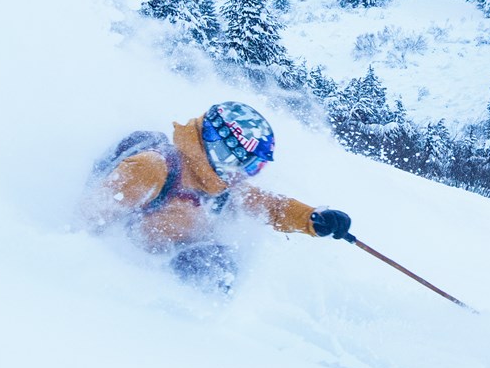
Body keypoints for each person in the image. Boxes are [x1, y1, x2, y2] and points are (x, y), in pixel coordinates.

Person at [84, 100, 352, 291]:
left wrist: (313, 219)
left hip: (170, 268)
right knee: (207, 265)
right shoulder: (152, 168)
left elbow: (270, 207)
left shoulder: (221, 186)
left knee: (215, 264)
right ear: (218, 148)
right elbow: (89, 220)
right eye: (242, 163)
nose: (243, 174)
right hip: (126, 272)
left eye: (253, 168)